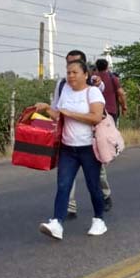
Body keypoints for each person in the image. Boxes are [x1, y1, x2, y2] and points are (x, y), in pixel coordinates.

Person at [35, 55, 108, 240]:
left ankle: (99, 219)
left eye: (75, 72)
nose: (71, 76)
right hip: (68, 148)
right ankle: (57, 222)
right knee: (63, 185)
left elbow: (95, 117)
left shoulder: (92, 92)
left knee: (93, 186)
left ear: (85, 74)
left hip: (88, 147)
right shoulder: (65, 90)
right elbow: (59, 115)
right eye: (68, 73)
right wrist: (46, 109)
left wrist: (71, 114)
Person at [64, 51, 112, 216]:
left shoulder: (92, 83)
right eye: (68, 65)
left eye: (75, 66)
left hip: (92, 137)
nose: (71, 71)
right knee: (66, 177)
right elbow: (57, 105)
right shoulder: (63, 85)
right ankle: (69, 205)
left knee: (98, 174)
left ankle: (104, 196)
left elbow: (100, 89)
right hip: (69, 138)